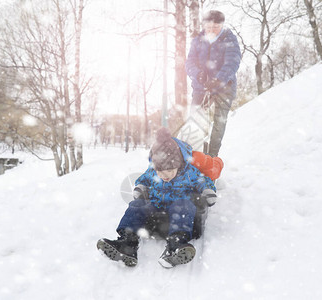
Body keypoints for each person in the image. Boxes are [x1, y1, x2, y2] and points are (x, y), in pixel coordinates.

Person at [97, 128, 219, 268]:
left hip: (178, 214)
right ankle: (127, 244)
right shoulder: (152, 171)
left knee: (184, 205)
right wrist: (140, 188)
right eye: (160, 172)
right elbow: (143, 179)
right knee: (137, 205)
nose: (164, 175)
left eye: (169, 171)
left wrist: (208, 191)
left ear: (178, 164)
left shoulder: (189, 172)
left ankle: (175, 247)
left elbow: (203, 181)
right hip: (155, 212)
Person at [185, 10, 241, 157]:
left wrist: (218, 79)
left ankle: (211, 156)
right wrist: (199, 74)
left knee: (219, 122)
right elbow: (189, 62)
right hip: (201, 86)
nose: (212, 31)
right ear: (204, 25)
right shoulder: (198, 40)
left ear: (222, 25)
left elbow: (232, 62)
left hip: (224, 87)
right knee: (195, 119)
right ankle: (193, 154)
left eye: (215, 27)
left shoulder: (229, 39)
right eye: (208, 27)